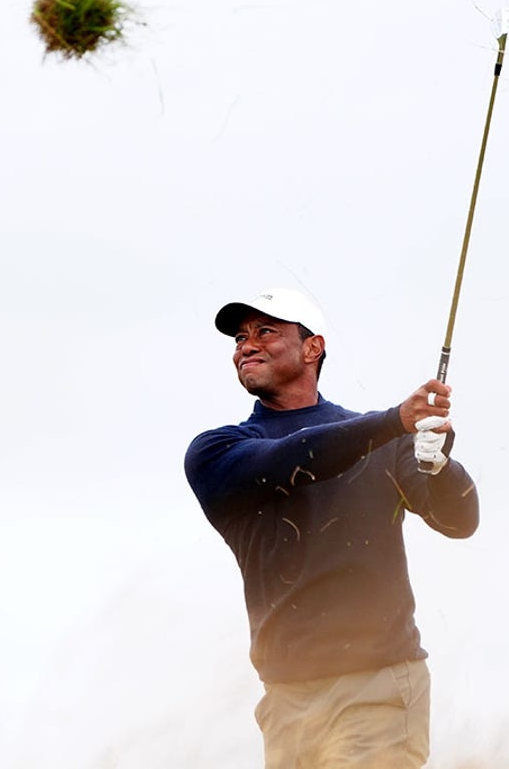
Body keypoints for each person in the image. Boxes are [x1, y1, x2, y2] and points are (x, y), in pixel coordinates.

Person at [183, 287, 480, 769]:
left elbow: (459, 521)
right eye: (240, 337)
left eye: (265, 332)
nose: (246, 345)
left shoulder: (385, 440)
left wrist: (441, 467)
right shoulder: (218, 451)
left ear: (312, 348)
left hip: (378, 685)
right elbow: (292, 458)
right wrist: (394, 424)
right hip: (285, 700)